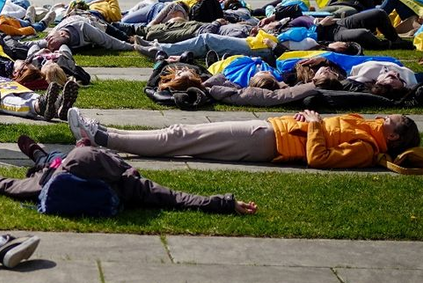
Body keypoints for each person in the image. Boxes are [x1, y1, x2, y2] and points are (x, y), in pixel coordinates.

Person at [0, 135, 258, 215]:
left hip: (53, 167)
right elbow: (177, 198)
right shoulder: (129, 183)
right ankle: (45, 153)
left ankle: (39, 154)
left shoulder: (51, 182)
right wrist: (224, 202)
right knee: (53, 158)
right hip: (75, 164)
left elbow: (10, 185)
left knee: (47, 159)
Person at [66, 106, 419, 169]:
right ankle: (102, 134)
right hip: (271, 133)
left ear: (394, 135)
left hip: (268, 143)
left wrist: (313, 124)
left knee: (181, 138)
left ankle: (101, 136)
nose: (385, 117)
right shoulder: (366, 129)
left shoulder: (366, 147)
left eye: (393, 120)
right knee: (181, 136)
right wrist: (310, 121)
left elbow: (319, 158)